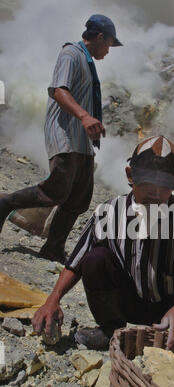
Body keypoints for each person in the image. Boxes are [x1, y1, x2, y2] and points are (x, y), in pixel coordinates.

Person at [32, 135, 174, 350]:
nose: (156, 193)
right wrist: (53, 299)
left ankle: (170, 338)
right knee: (95, 259)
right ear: (130, 175)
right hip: (127, 300)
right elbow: (75, 262)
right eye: (147, 182)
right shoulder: (109, 212)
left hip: (169, 307)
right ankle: (110, 329)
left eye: (165, 185)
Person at [0, 14, 122, 263]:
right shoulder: (71, 54)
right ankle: (4, 203)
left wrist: (89, 124)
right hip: (65, 134)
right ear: (99, 37)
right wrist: (85, 117)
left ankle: (53, 248)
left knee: (79, 198)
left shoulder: (87, 62)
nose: (109, 50)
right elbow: (59, 91)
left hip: (81, 141)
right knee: (56, 190)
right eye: (109, 44)